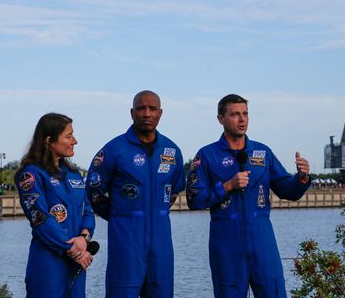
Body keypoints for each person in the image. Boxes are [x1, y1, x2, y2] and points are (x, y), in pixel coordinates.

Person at [187, 94, 311, 298]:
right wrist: (227, 186)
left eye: (245, 114)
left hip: (262, 238)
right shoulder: (207, 155)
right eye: (235, 114)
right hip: (226, 242)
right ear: (220, 119)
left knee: (275, 292)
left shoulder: (262, 152)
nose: (242, 119)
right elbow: (194, 200)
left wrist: (302, 178)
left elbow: (286, 189)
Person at [86, 90, 185, 298]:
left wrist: (155, 211)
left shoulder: (172, 150)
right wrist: (119, 215)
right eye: (141, 108)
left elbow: (174, 190)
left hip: (161, 244)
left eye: (152, 108)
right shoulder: (114, 150)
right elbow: (93, 191)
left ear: (160, 113)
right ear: (132, 113)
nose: (147, 113)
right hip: (126, 242)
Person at [15, 113, 96, 298]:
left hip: (76, 261)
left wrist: (84, 237)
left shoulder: (74, 174)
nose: (74, 141)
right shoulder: (31, 175)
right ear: (49, 140)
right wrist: (72, 249)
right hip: (49, 262)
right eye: (68, 136)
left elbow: (88, 211)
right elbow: (40, 217)